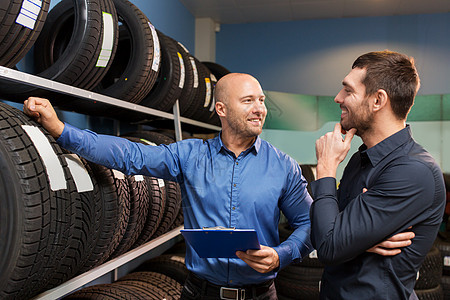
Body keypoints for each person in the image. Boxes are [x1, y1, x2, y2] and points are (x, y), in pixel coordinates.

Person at [23, 73, 314, 300]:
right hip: (200, 292)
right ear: (222, 109)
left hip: (260, 294)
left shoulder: (282, 165)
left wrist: (281, 254)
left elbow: (309, 224)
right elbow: (131, 155)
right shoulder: (190, 156)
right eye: (249, 100)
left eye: (262, 100)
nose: (260, 109)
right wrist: (62, 130)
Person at [311, 50, 446, 299]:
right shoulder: (359, 160)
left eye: (348, 90)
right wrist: (357, 239)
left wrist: (326, 167)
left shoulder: (413, 171)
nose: (337, 98)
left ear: (377, 101)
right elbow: (322, 232)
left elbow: (329, 246)